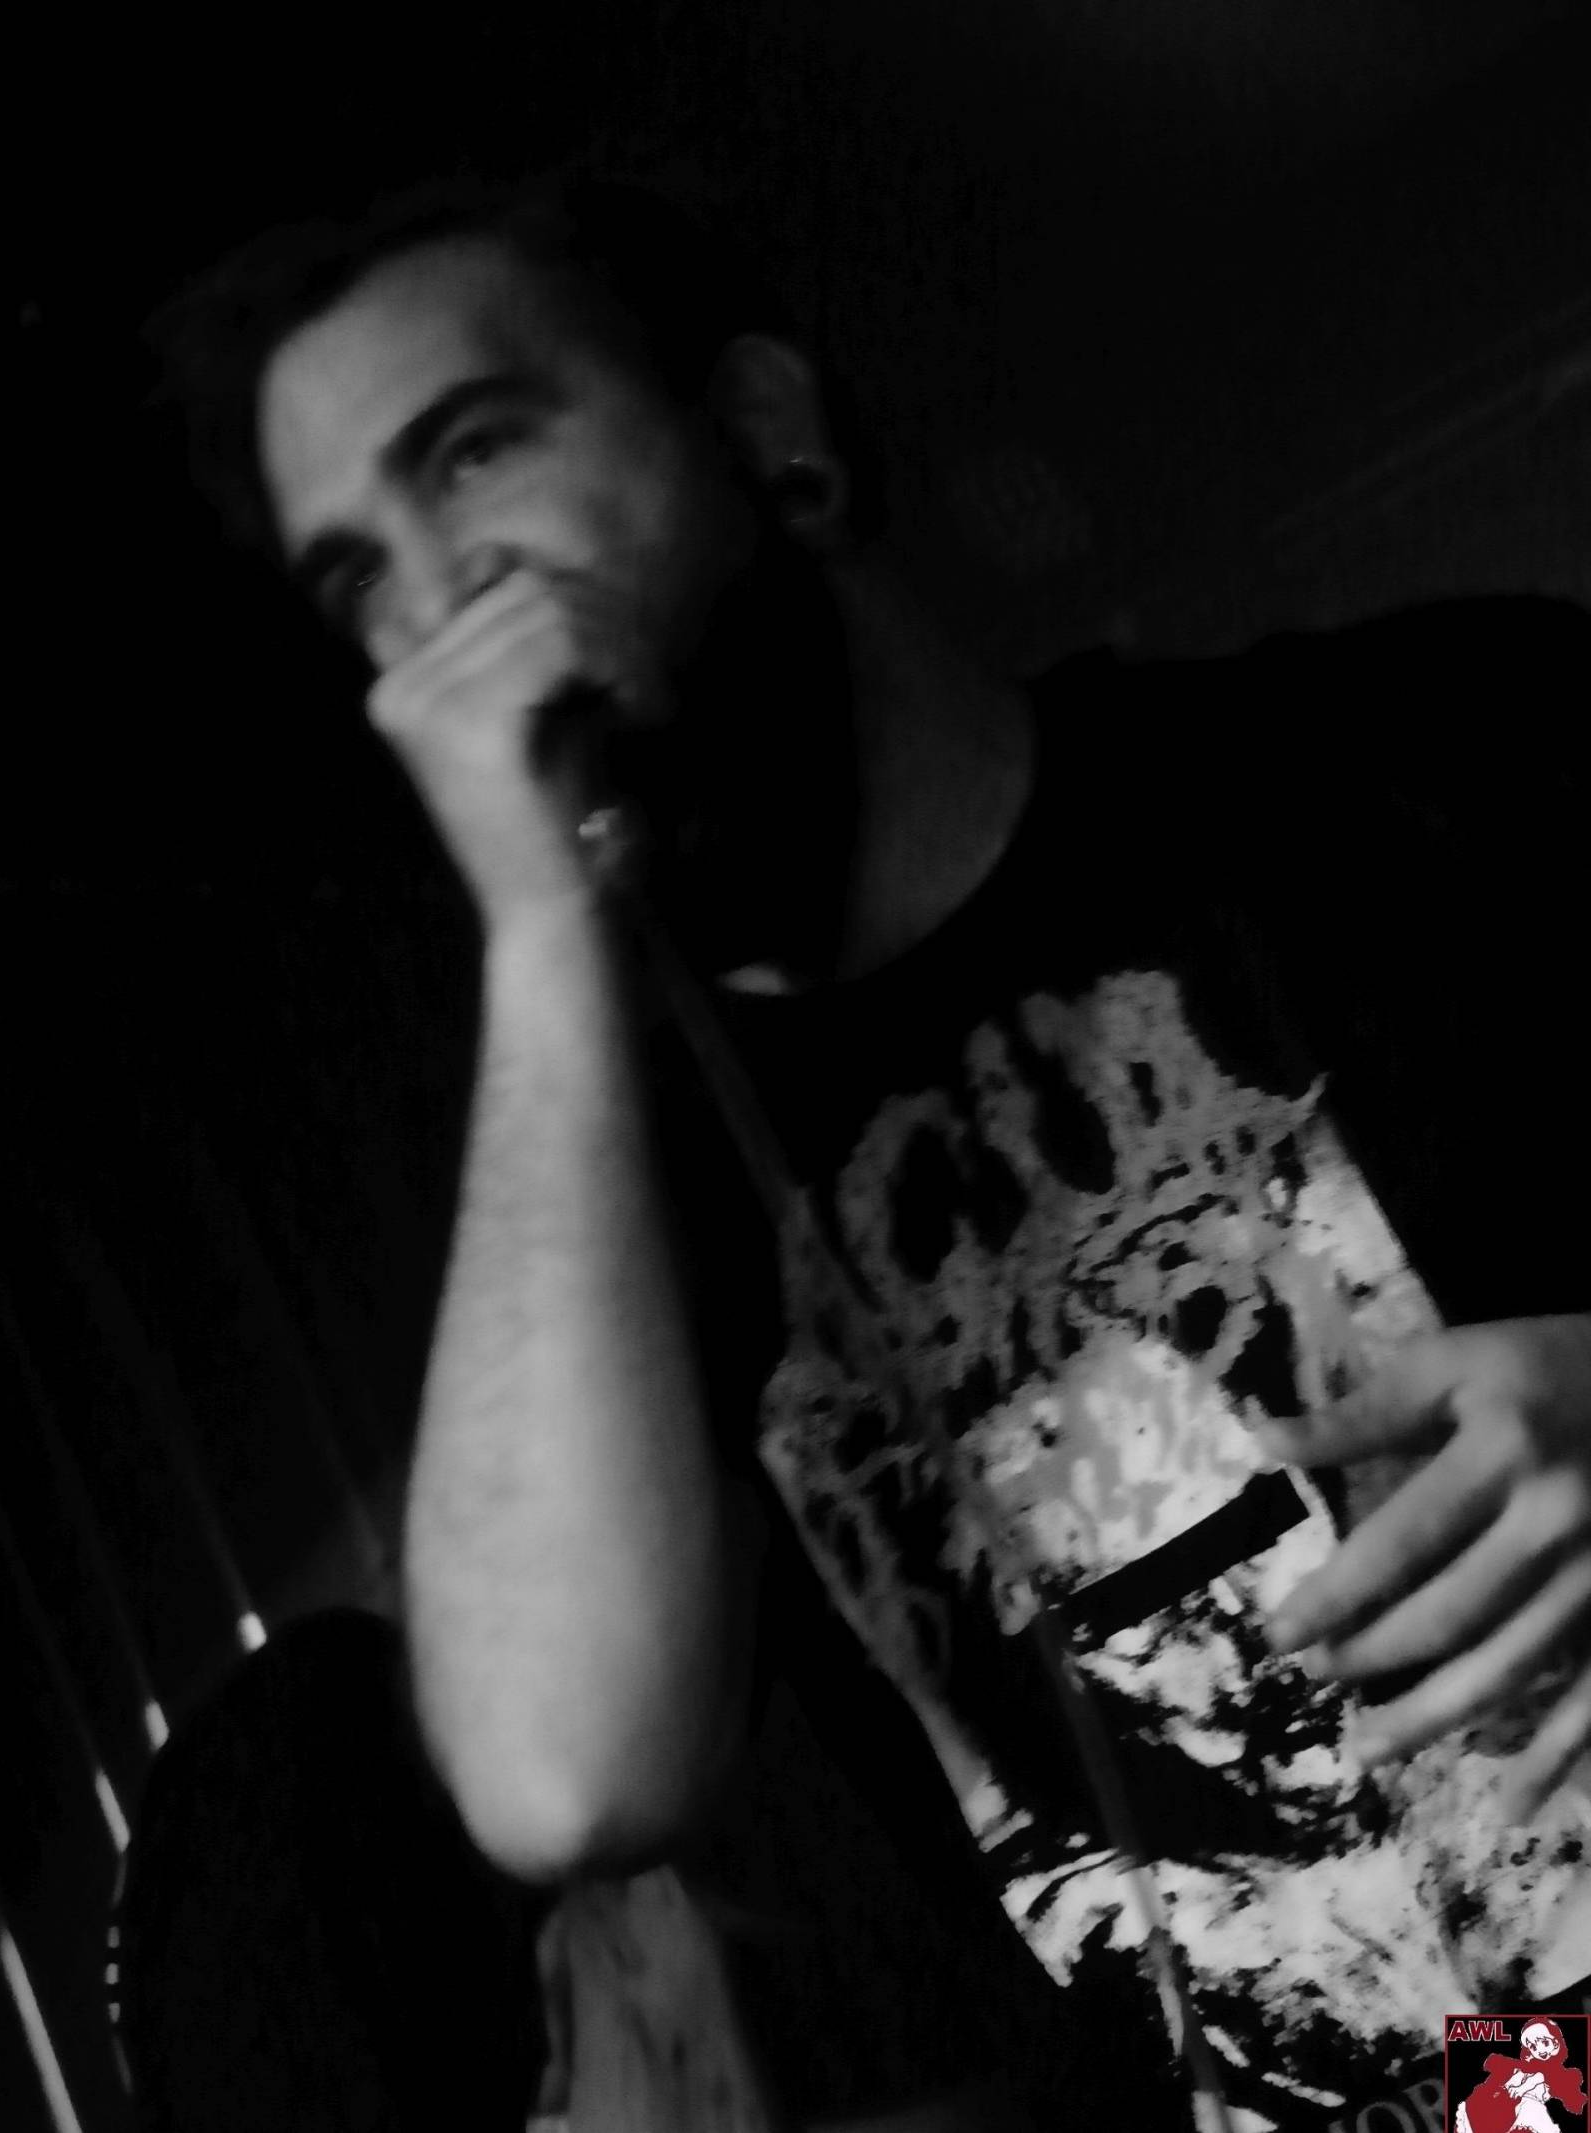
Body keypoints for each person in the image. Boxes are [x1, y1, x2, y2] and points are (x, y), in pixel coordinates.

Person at [151, 172, 1591, 2128]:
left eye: (476, 451)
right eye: (358, 583)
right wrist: (541, 926)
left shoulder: (1438, 753)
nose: (439, 624)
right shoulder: (622, 1202)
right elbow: (563, 1772)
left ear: (770, 433)